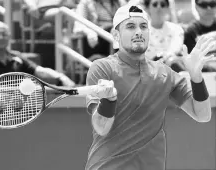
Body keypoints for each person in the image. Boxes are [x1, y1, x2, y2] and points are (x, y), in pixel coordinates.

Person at [85, 4, 215, 170]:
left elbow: (202, 114)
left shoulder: (165, 74)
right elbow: (101, 127)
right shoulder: (102, 68)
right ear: (116, 35)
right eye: (130, 26)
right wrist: (108, 102)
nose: (139, 31)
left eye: (143, 26)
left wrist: (196, 77)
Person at [0, 21, 75, 87]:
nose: (1, 37)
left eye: (4, 34)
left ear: (9, 37)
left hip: (16, 107)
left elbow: (39, 71)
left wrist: (61, 78)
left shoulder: (17, 58)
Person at [183, 0, 216, 71]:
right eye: (204, 5)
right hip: (204, 73)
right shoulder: (190, 31)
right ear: (196, 7)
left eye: (212, 4)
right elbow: (192, 62)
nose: (209, 8)